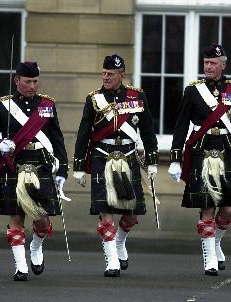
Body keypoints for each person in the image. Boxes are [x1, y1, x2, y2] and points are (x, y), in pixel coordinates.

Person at [168, 44, 231, 276]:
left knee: (227, 210)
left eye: (213, 63)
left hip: (226, 151)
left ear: (223, 65)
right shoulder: (193, 91)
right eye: (206, 63)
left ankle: (215, 244)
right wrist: (175, 158)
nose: (208, 66)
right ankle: (209, 258)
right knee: (207, 207)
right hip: (202, 152)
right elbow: (181, 126)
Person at [73, 54, 158, 277]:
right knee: (106, 213)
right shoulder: (94, 99)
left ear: (122, 75)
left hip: (128, 154)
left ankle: (119, 243)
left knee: (130, 214)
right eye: (104, 73)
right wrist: (79, 165)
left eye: (111, 74)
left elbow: (148, 130)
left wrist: (151, 160)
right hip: (102, 156)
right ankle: (111, 261)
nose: (106, 77)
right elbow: (83, 133)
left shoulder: (136, 96)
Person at [0, 62, 69, 281]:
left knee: (42, 219)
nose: (32, 86)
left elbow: (57, 139)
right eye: (28, 81)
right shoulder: (3, 107)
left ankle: (36, 247)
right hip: (15, 164)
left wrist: (63, 171)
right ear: (17, 81)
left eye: (35, 81)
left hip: (41, 164)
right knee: (16, 217)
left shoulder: (47, 105)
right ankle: (20, 266)